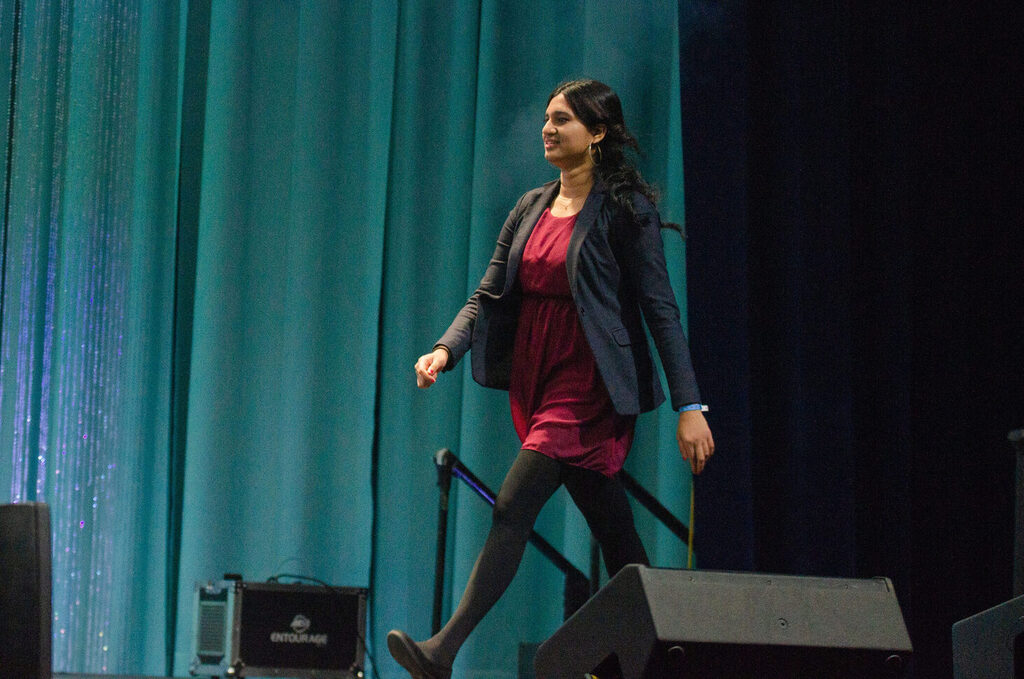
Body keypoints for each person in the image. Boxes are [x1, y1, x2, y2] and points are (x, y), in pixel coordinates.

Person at [387, 79, 714, 679]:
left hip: (589, 384)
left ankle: (442, 652)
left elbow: (660, 308)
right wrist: (444, 349)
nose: (548, 128)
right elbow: (488, 294)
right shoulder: (531, 206)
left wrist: (689, 406)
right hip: (539, 377)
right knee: (617, 537)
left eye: (562, 119)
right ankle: (671, 656)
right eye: (546, 117)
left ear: (598, 133)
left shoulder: (624, 209)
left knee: (512, 506)